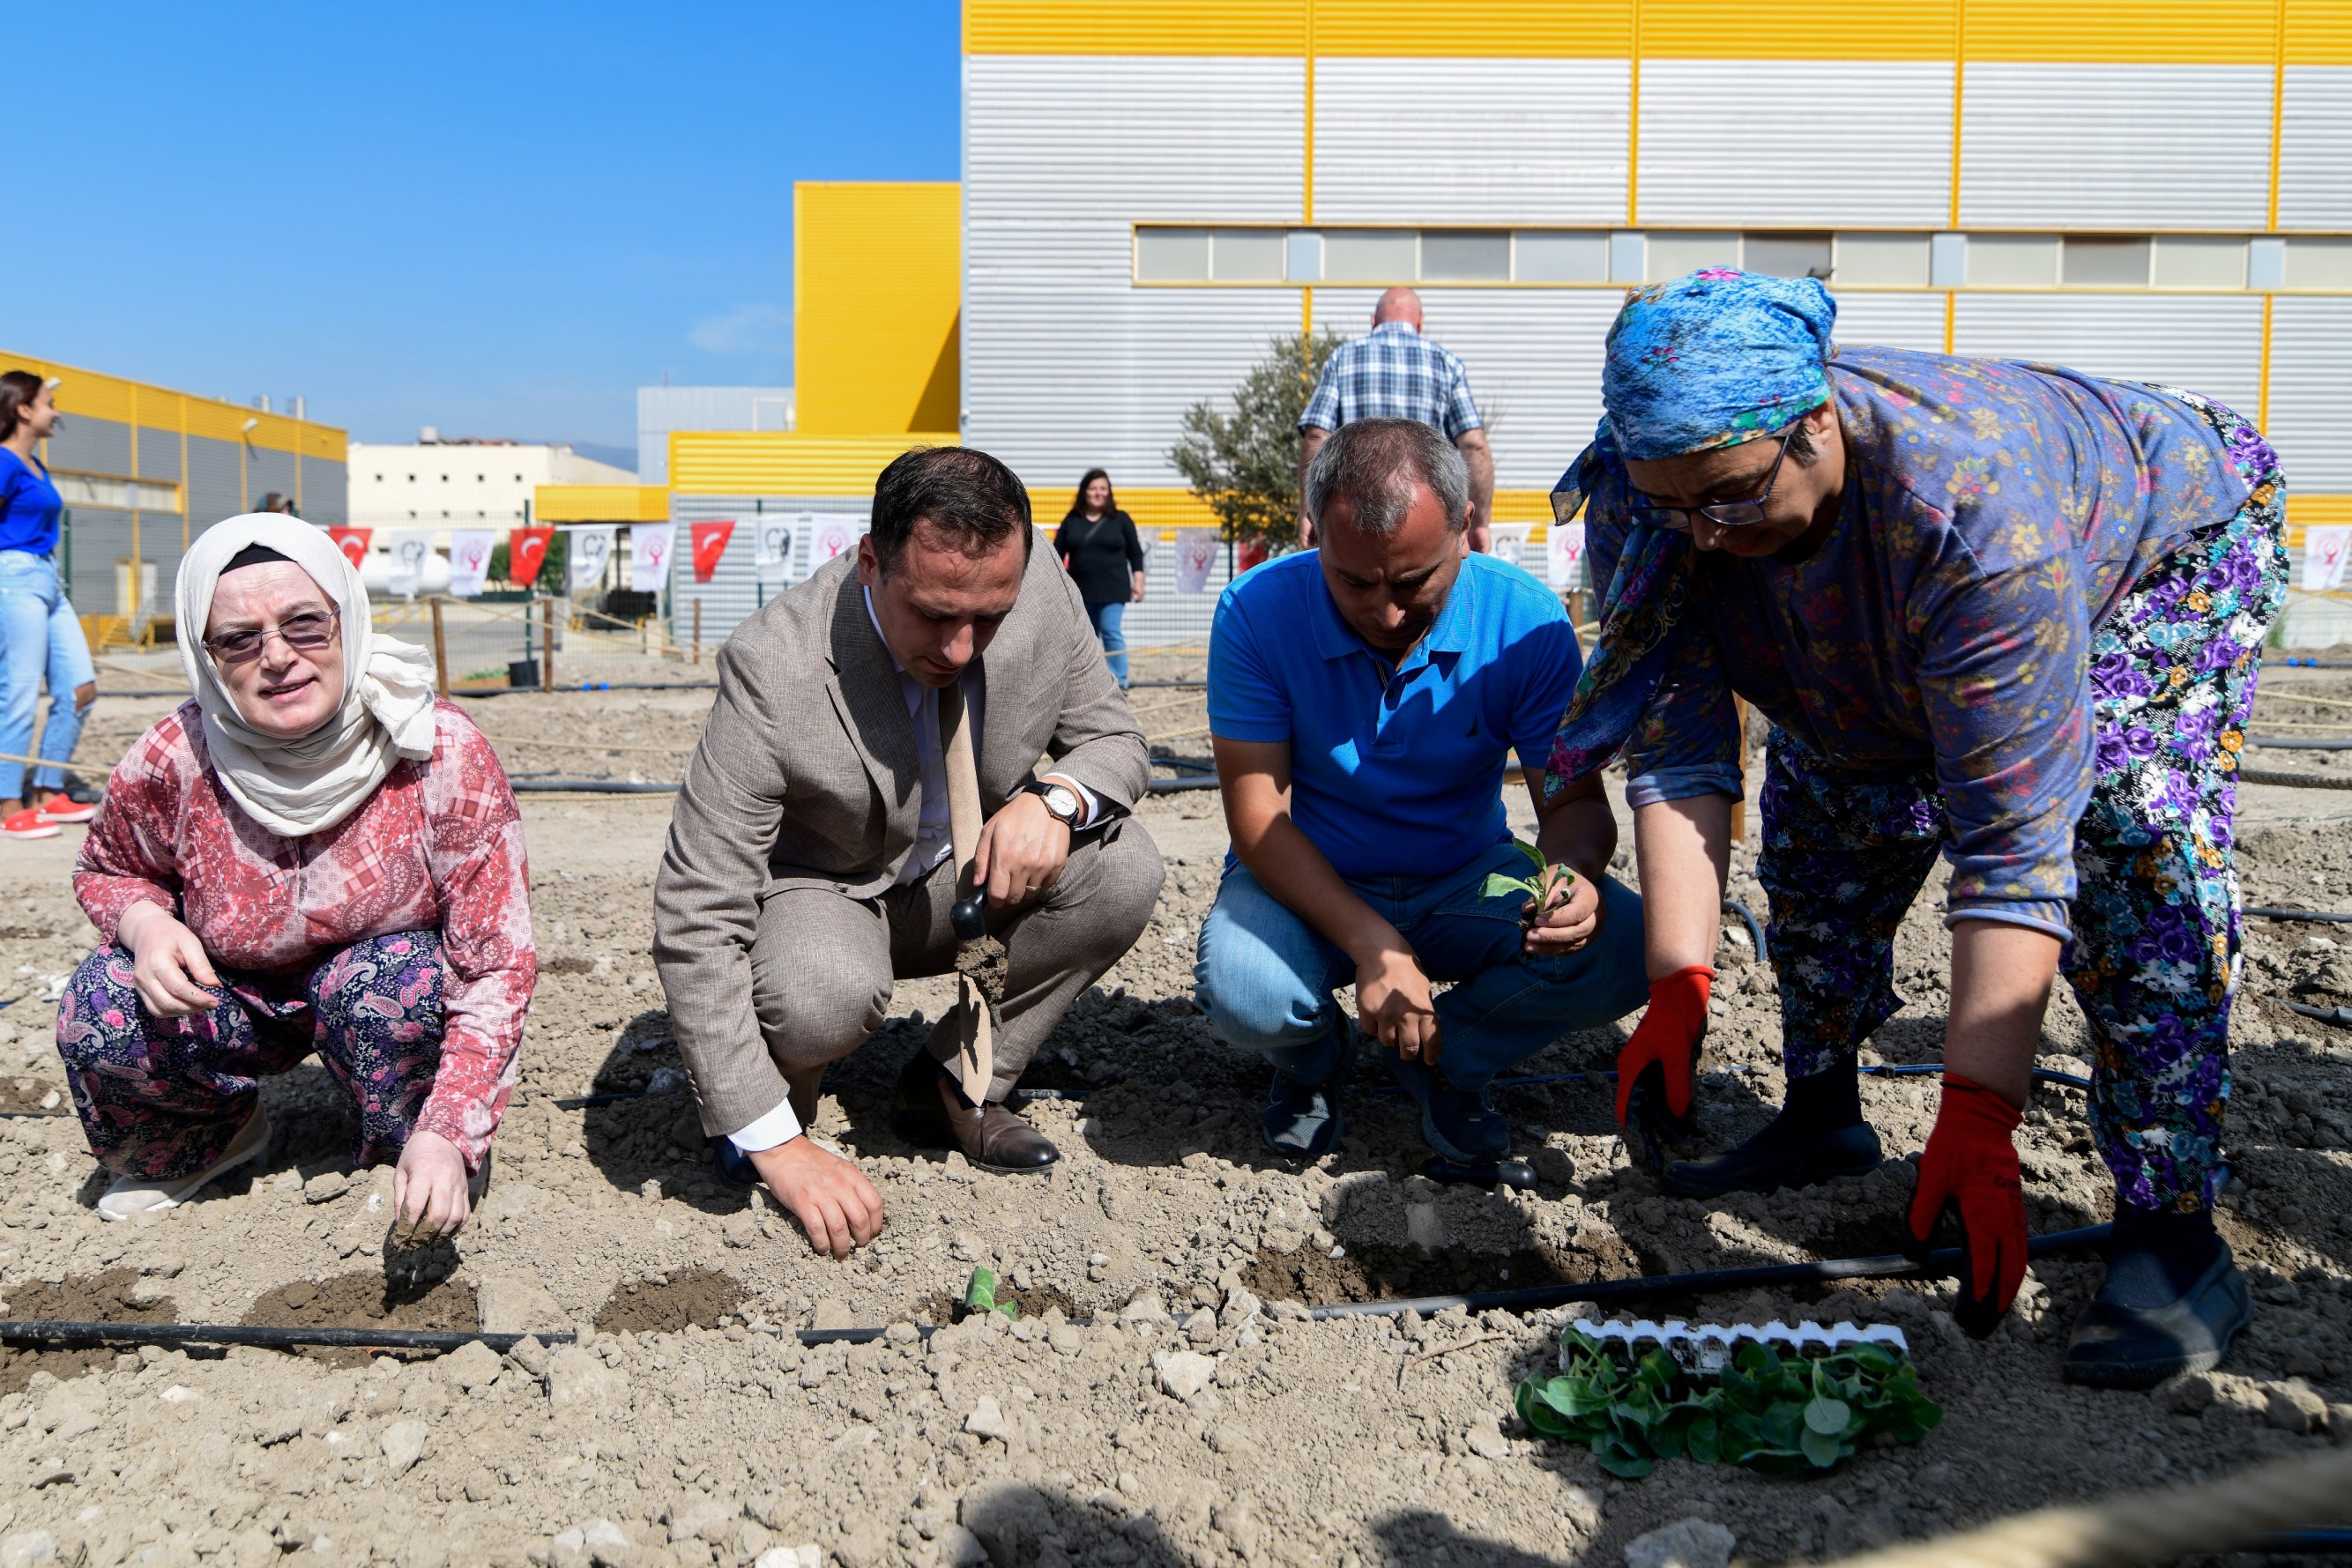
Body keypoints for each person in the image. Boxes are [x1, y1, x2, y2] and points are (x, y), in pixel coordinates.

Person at [1548, 268, 2285, 1387]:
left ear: (1813, 426)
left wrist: (1981, 1113)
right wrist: (1678, 984)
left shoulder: (1977, 520)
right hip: (1889, 568)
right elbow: (1686, 751)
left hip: (2156, 553)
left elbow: (2012, 842)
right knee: (1827, 805)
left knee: (2128, 854)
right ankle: (1821, 1110)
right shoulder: (1656, 499)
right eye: (1674, 505)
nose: (1700, 534)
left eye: (1731, 496)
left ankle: (2173, 1234)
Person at [653, 447, 1164, 1258]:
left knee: (1126, 867)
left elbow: (1116, 739)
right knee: (822, 991)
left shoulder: (1040, 589)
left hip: (966, 879)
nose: (962, 649)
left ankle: (954, 1083)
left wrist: (1055, 802)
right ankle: (779, 1105)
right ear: (870, 562)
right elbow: (695, 909)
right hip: (831, 893)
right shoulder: (773, 664)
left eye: (988, 618)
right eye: (933, 614)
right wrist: (774, 1144)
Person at [58, 513, 535, 1236]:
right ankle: (209, 1139)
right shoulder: (174, 756)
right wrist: (149, 924)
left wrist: (453, 1122)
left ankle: (414, 1148)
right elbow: (109, 868)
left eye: (305, 624)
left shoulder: (439, 752)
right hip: (227, 992)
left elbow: (496, 963)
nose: (277, 657)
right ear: (205, 654)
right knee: (103, 1001)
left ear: (347, 620)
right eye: (239, 639)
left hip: (376, 998)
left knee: (390, 983)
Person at [1194, 418, 1648, 1164]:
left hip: (1466, 873)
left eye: (1413, 581)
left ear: (1466, 529)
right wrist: (1374, 943)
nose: (1387, 612)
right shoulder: (1255, 614)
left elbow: (1573, 809)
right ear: (1316, 537)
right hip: (1309, 875)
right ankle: (1313, 1062)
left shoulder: (1527, 622)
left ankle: (1444, 1055)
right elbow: (1258, 821)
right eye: (1354, 581)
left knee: (1626, 944)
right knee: (1246, 992)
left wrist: (1572, 878)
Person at [1299, 288, 1494, 553]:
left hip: (1355, 517)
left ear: (1373, 321)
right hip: (1427, 520)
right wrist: (1480, 523)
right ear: (1420, 322)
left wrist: (1310, 510)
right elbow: (1474, 445)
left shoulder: (1342, 359)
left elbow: (1316, 436)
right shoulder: (1446, 364)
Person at [0, 371, 98, 840]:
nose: (56, 412)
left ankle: (47, 789)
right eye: (48, 403)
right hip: (13, 577)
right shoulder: (3, 462)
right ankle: (8, 804)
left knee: (81, 688)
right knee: (18, 693)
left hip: (47, 577)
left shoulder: (35, 466)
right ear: (23, 409)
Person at [1053, 469, 1147, 687]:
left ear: (1109, 492)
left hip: (1114, 589)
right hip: (1080, 590)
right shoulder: (1072, 519)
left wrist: (1139, 582)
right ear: (1084, 492)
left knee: (1111, 631)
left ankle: (1119, 681)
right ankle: (1086, 682)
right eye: (1093, 488)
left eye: (1103, 488)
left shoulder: (1121, 519)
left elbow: (1135, 553)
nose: (1098, 493)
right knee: (1086, 637)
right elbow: (1056, 553)